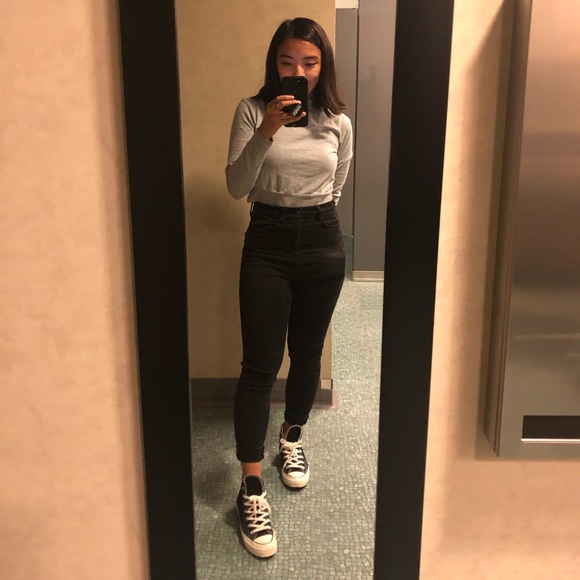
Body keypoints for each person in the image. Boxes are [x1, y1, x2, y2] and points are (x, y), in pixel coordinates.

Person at [225, 17, 353, 558]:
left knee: (307, 353)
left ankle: (292, 437)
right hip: (267, 241)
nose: (298, 70)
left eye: (309, 62)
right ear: (274, 65)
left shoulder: (338, 121)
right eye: (287, 61)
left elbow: (337, 182)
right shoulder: (252, 111)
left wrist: (314, 216)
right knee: (259, 364)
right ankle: (251, 486)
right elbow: (236, 185)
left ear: (323, 67)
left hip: (322, 239)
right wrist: (267, 130)